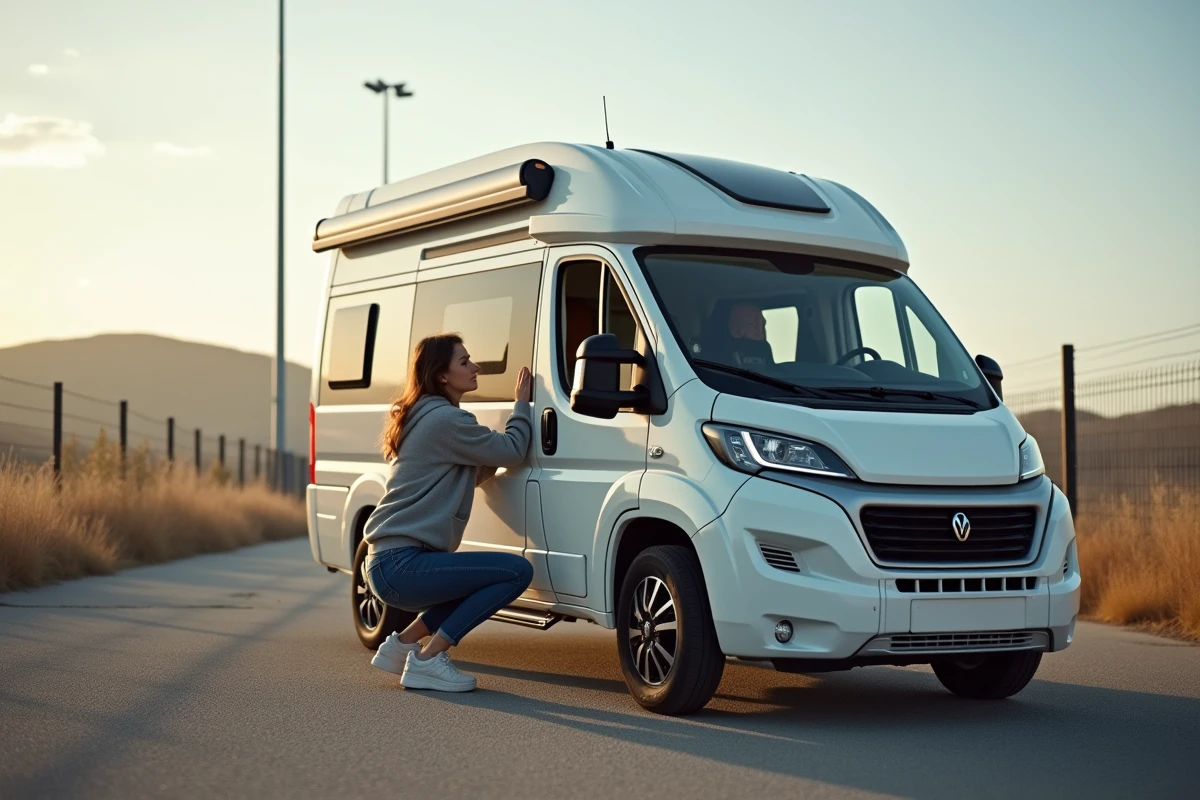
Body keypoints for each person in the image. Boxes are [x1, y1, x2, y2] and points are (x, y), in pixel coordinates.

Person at [361, 332, 534, 692]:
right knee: (516, 572)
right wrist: (523, 405)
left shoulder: (428, 417)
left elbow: (475, 467)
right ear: (442, 375)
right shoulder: (447, 421)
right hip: (402, 565)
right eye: (464, 362)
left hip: (388, 562)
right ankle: (428, 659)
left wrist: (490, 455)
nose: (476, 367)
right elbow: (514, 450)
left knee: (473, 580)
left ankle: (403, 645)